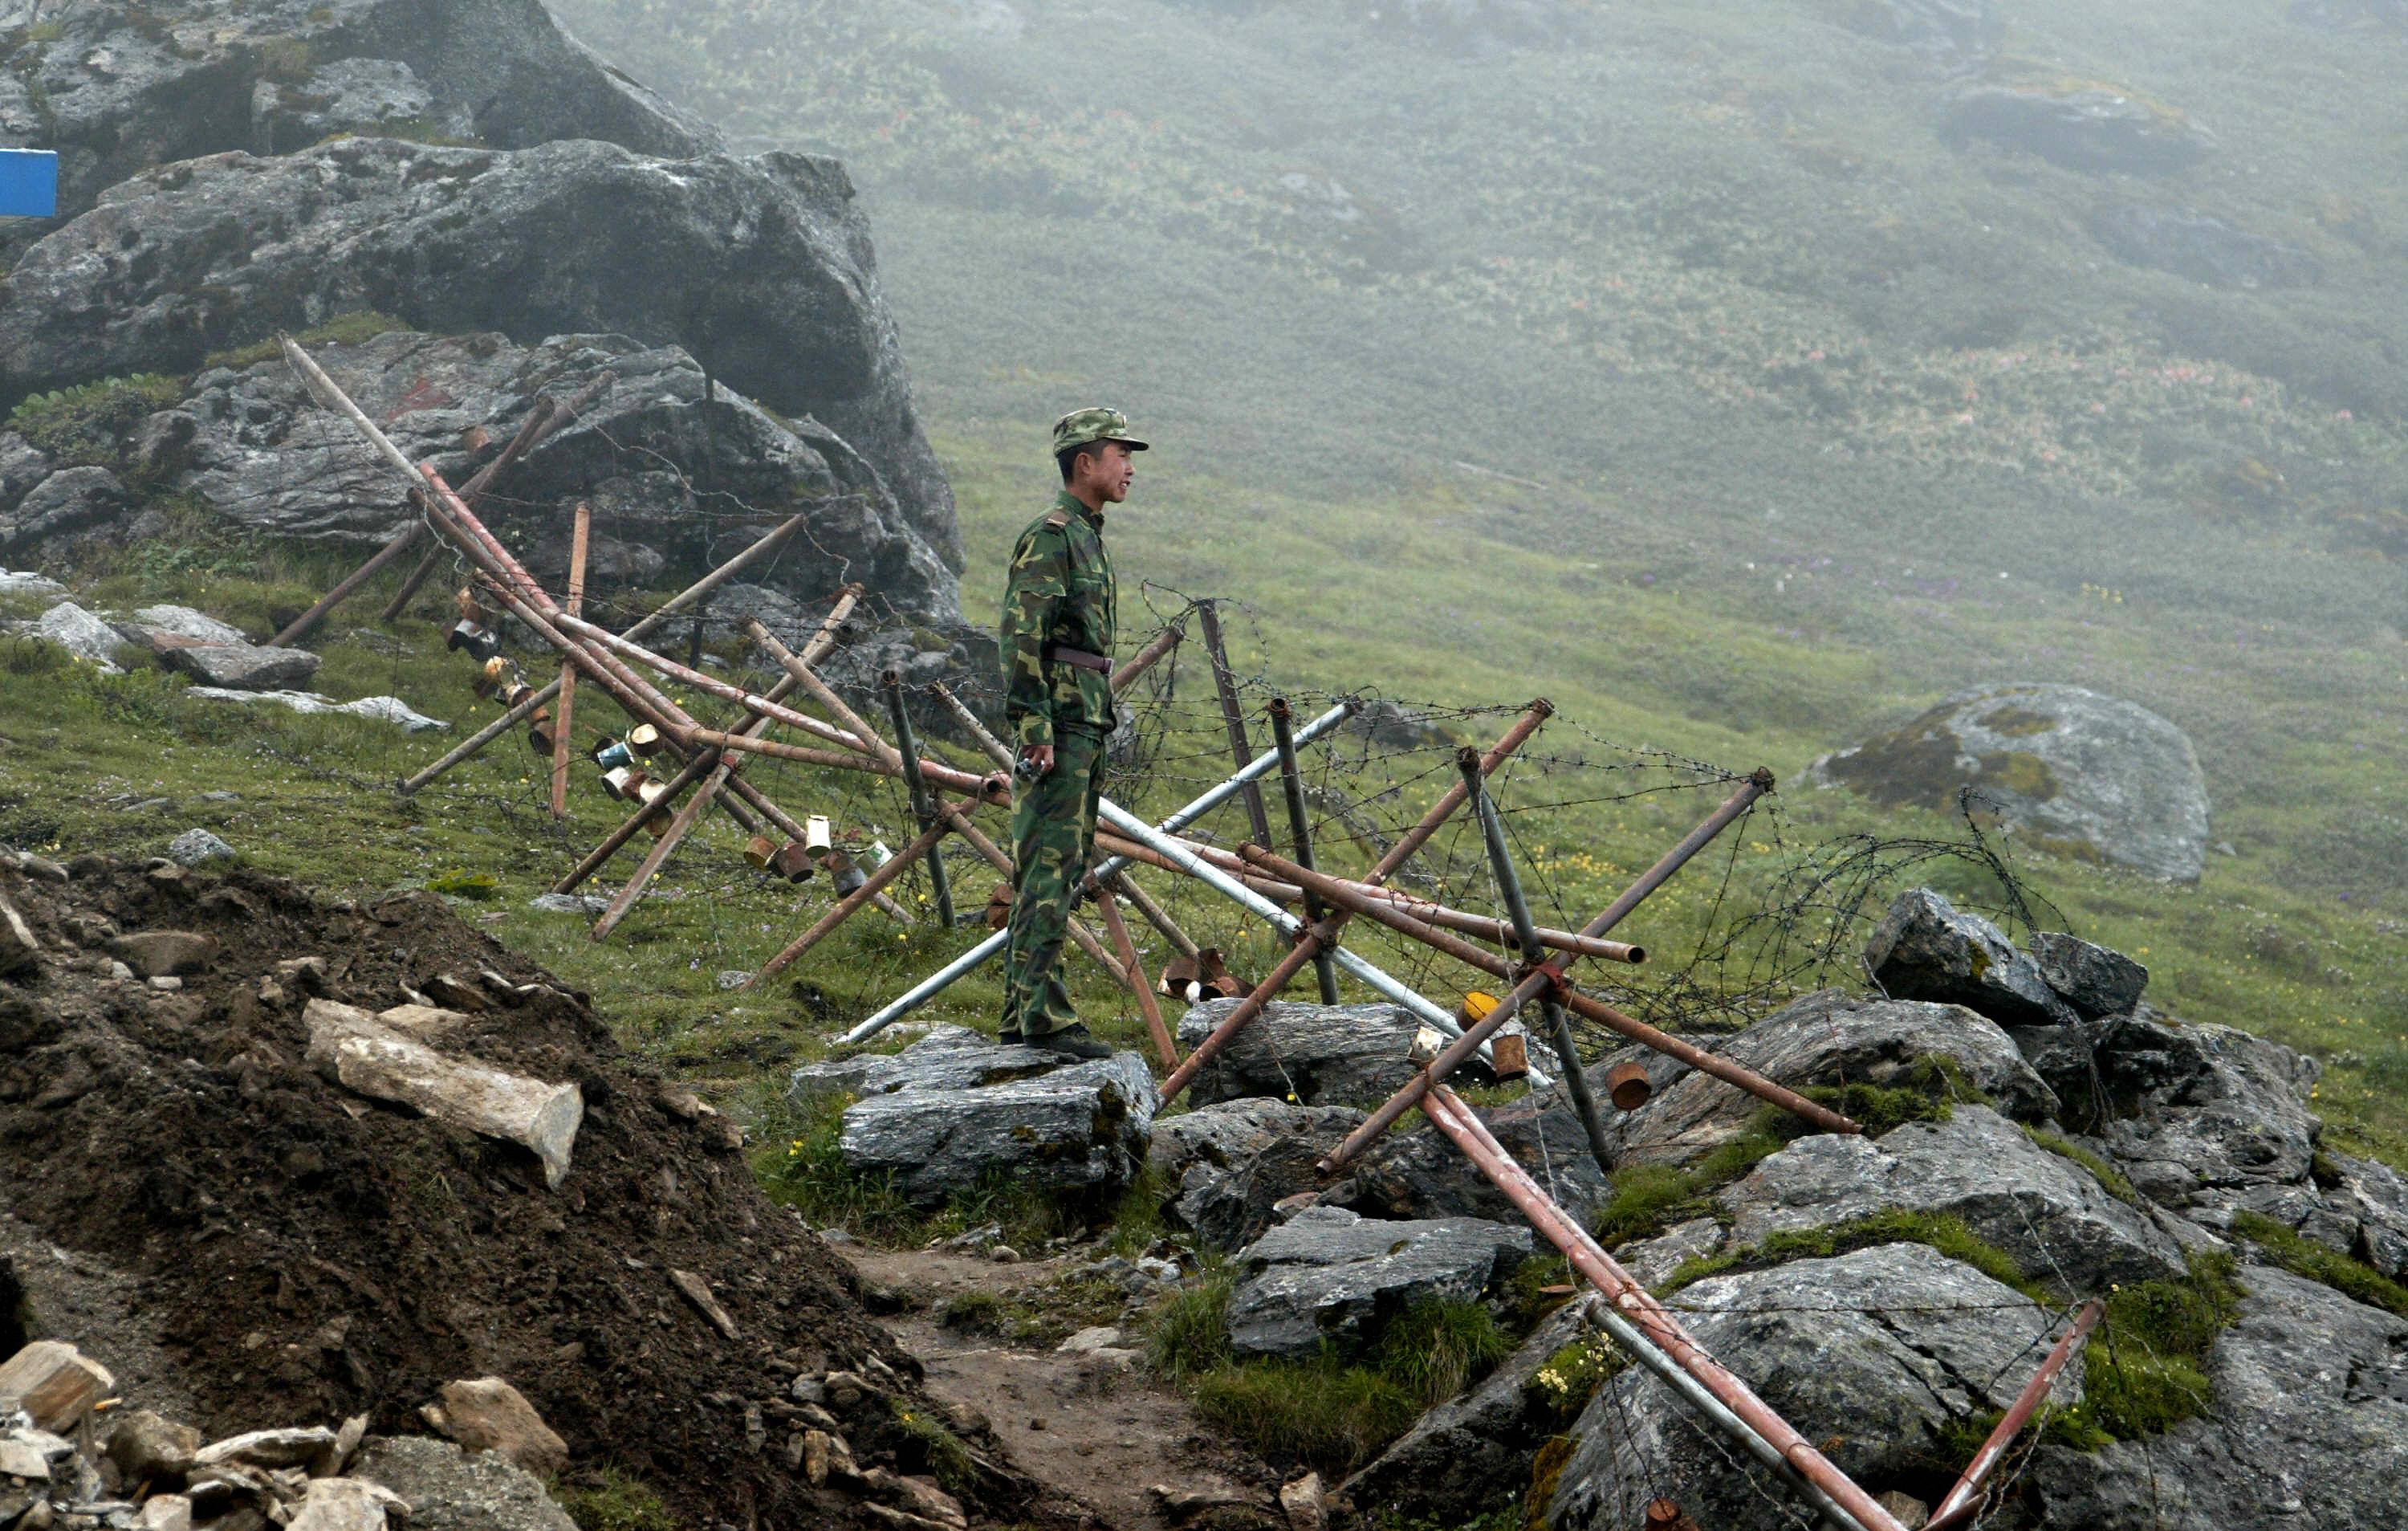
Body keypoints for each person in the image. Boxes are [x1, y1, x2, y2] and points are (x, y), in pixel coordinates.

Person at [995, 407, 1147, 1057]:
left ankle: (1022, 1011)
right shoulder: (1052, 537)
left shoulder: (1087, 536)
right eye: (1120, 454)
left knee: (1064, 864)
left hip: (1084, 717)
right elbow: (1021, 636)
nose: (1131, 469)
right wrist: (1035, 726)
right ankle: (1043, 1018)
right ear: (1084, 462)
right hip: (1057, 720)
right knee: (1048, 867)